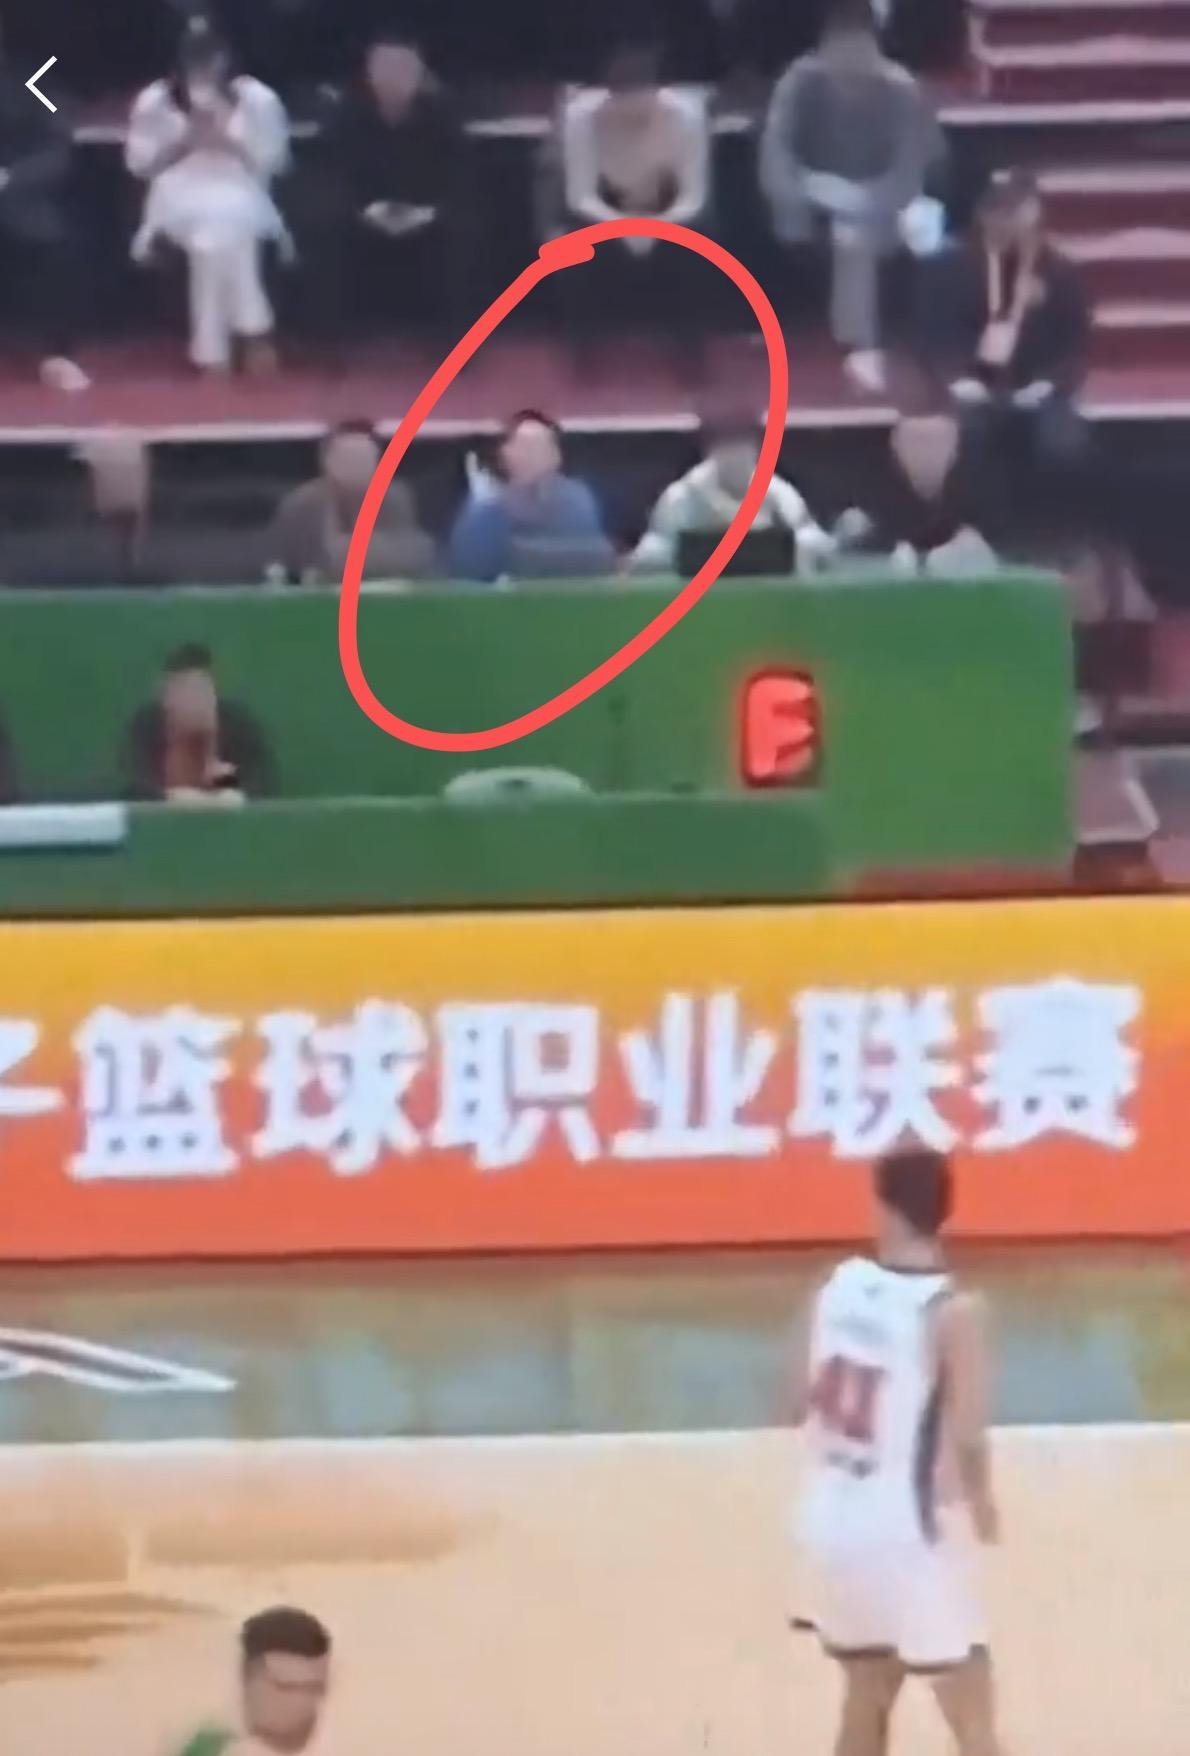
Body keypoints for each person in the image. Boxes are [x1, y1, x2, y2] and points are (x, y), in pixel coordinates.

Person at [789, 1148, 1007, 1756]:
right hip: (905, 1530)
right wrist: (983, 1505)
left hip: (829, 1521)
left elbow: (795, 1397)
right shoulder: (954, 1311)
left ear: (882, 1206)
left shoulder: (835, 1285)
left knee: (866, 1695)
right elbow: (967, 1436)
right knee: (971, 1709)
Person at [759, 0, 945, 392]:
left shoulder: (903, 90)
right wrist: (812, 195)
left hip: (892, 207)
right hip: (815, 197)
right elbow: (776, 156)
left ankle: (859, 347)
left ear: (875, 43)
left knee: (854, 238)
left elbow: (908, 177)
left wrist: (860, 203)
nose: (848, 52)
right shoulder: (798, 82)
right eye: (839, 40)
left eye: (858, 40)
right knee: (804, 220)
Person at [915, 169, 1092, 507]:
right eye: (1001, 208)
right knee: (964, 433)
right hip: (968, 381)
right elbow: (934, 331)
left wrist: (1049, 382)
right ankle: (971, 516)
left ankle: (1054, 518)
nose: (1010, 219)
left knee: (1062, 437)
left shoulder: (1058, 270)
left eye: (1019, 208)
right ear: (982, 213)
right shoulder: (947, 268)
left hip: (1038, 383)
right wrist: (958, 378)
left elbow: (1074, 337)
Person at [125, 18, 291, 375]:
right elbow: (139, 164)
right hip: (178, 192)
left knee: (214, 239)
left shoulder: (258, 98)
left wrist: (229, 141)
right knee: (217, 233)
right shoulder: (155, 100)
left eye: (211, 56)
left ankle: (211, 352)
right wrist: (183, 143)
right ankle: (256, 334)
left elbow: (276, 161)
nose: (205, 67)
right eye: (196, 57)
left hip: (241, 190)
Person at [548, 42, 711, 374]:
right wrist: (623, 227)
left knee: (700, 244)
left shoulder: (687, 116)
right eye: (623, 108)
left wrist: (658, 227)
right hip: (604, 206)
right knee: (572, 248)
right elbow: (580, 195)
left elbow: (693, 195)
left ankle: (689, 350)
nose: (632, 117)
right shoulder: (581, 118)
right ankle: (583, 349)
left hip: (667, 205)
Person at [294, 36, 467, 349]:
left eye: (403, 69)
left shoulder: (443, 114)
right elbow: (331, 173)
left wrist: (428, 212)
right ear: (369, 73)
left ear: (421, 74)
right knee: (321, 222)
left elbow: (460, 176)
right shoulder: (346, 113)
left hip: (425, 214)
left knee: (465, 230)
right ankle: (327, 340)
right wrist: (365, 210)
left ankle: (458, 342)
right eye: (385, 68)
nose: (393, 78)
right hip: (364, 213)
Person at [0, 27, 89, 391]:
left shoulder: (33, 79)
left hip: (17, 192)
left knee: (56, 245)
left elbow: (57, 146)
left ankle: (57, 356)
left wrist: (10, 178)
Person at [629, 414, 833, 573]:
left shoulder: (777, 492)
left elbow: (812, 538)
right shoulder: (683, 495)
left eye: (743, 446)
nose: (736, 455)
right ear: (711, 451)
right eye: (727, 447)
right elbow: (653, 549)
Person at [447, 410, 615, 583]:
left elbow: (590, 564)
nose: (533, 455)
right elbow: (468, 575)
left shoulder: (578, 501)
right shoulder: (486, 509)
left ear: (556, 456)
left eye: (541, 447)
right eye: (525, 447)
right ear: (505, 454)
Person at [266, 419, 437, 586]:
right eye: (347, 457)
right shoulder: (302, 504)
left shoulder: (394, 498)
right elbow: (280, 568)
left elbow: (411, 557)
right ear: (325, 461)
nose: (355, 465)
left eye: (363, 457)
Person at [124, 643, 276, 804]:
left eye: (201, 690)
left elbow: (259, 778)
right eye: (184, 691)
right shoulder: (146, 727)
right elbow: (132, 782)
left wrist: (232, 793)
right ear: (166, 698)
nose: (194, 700)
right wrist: (170, 796)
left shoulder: (236, 725)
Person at [171, 1605, 331, 1756]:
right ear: (247, 1678)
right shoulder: (209, 1747)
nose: (302, 1703)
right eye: (286, 1687)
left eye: (314, 1688)